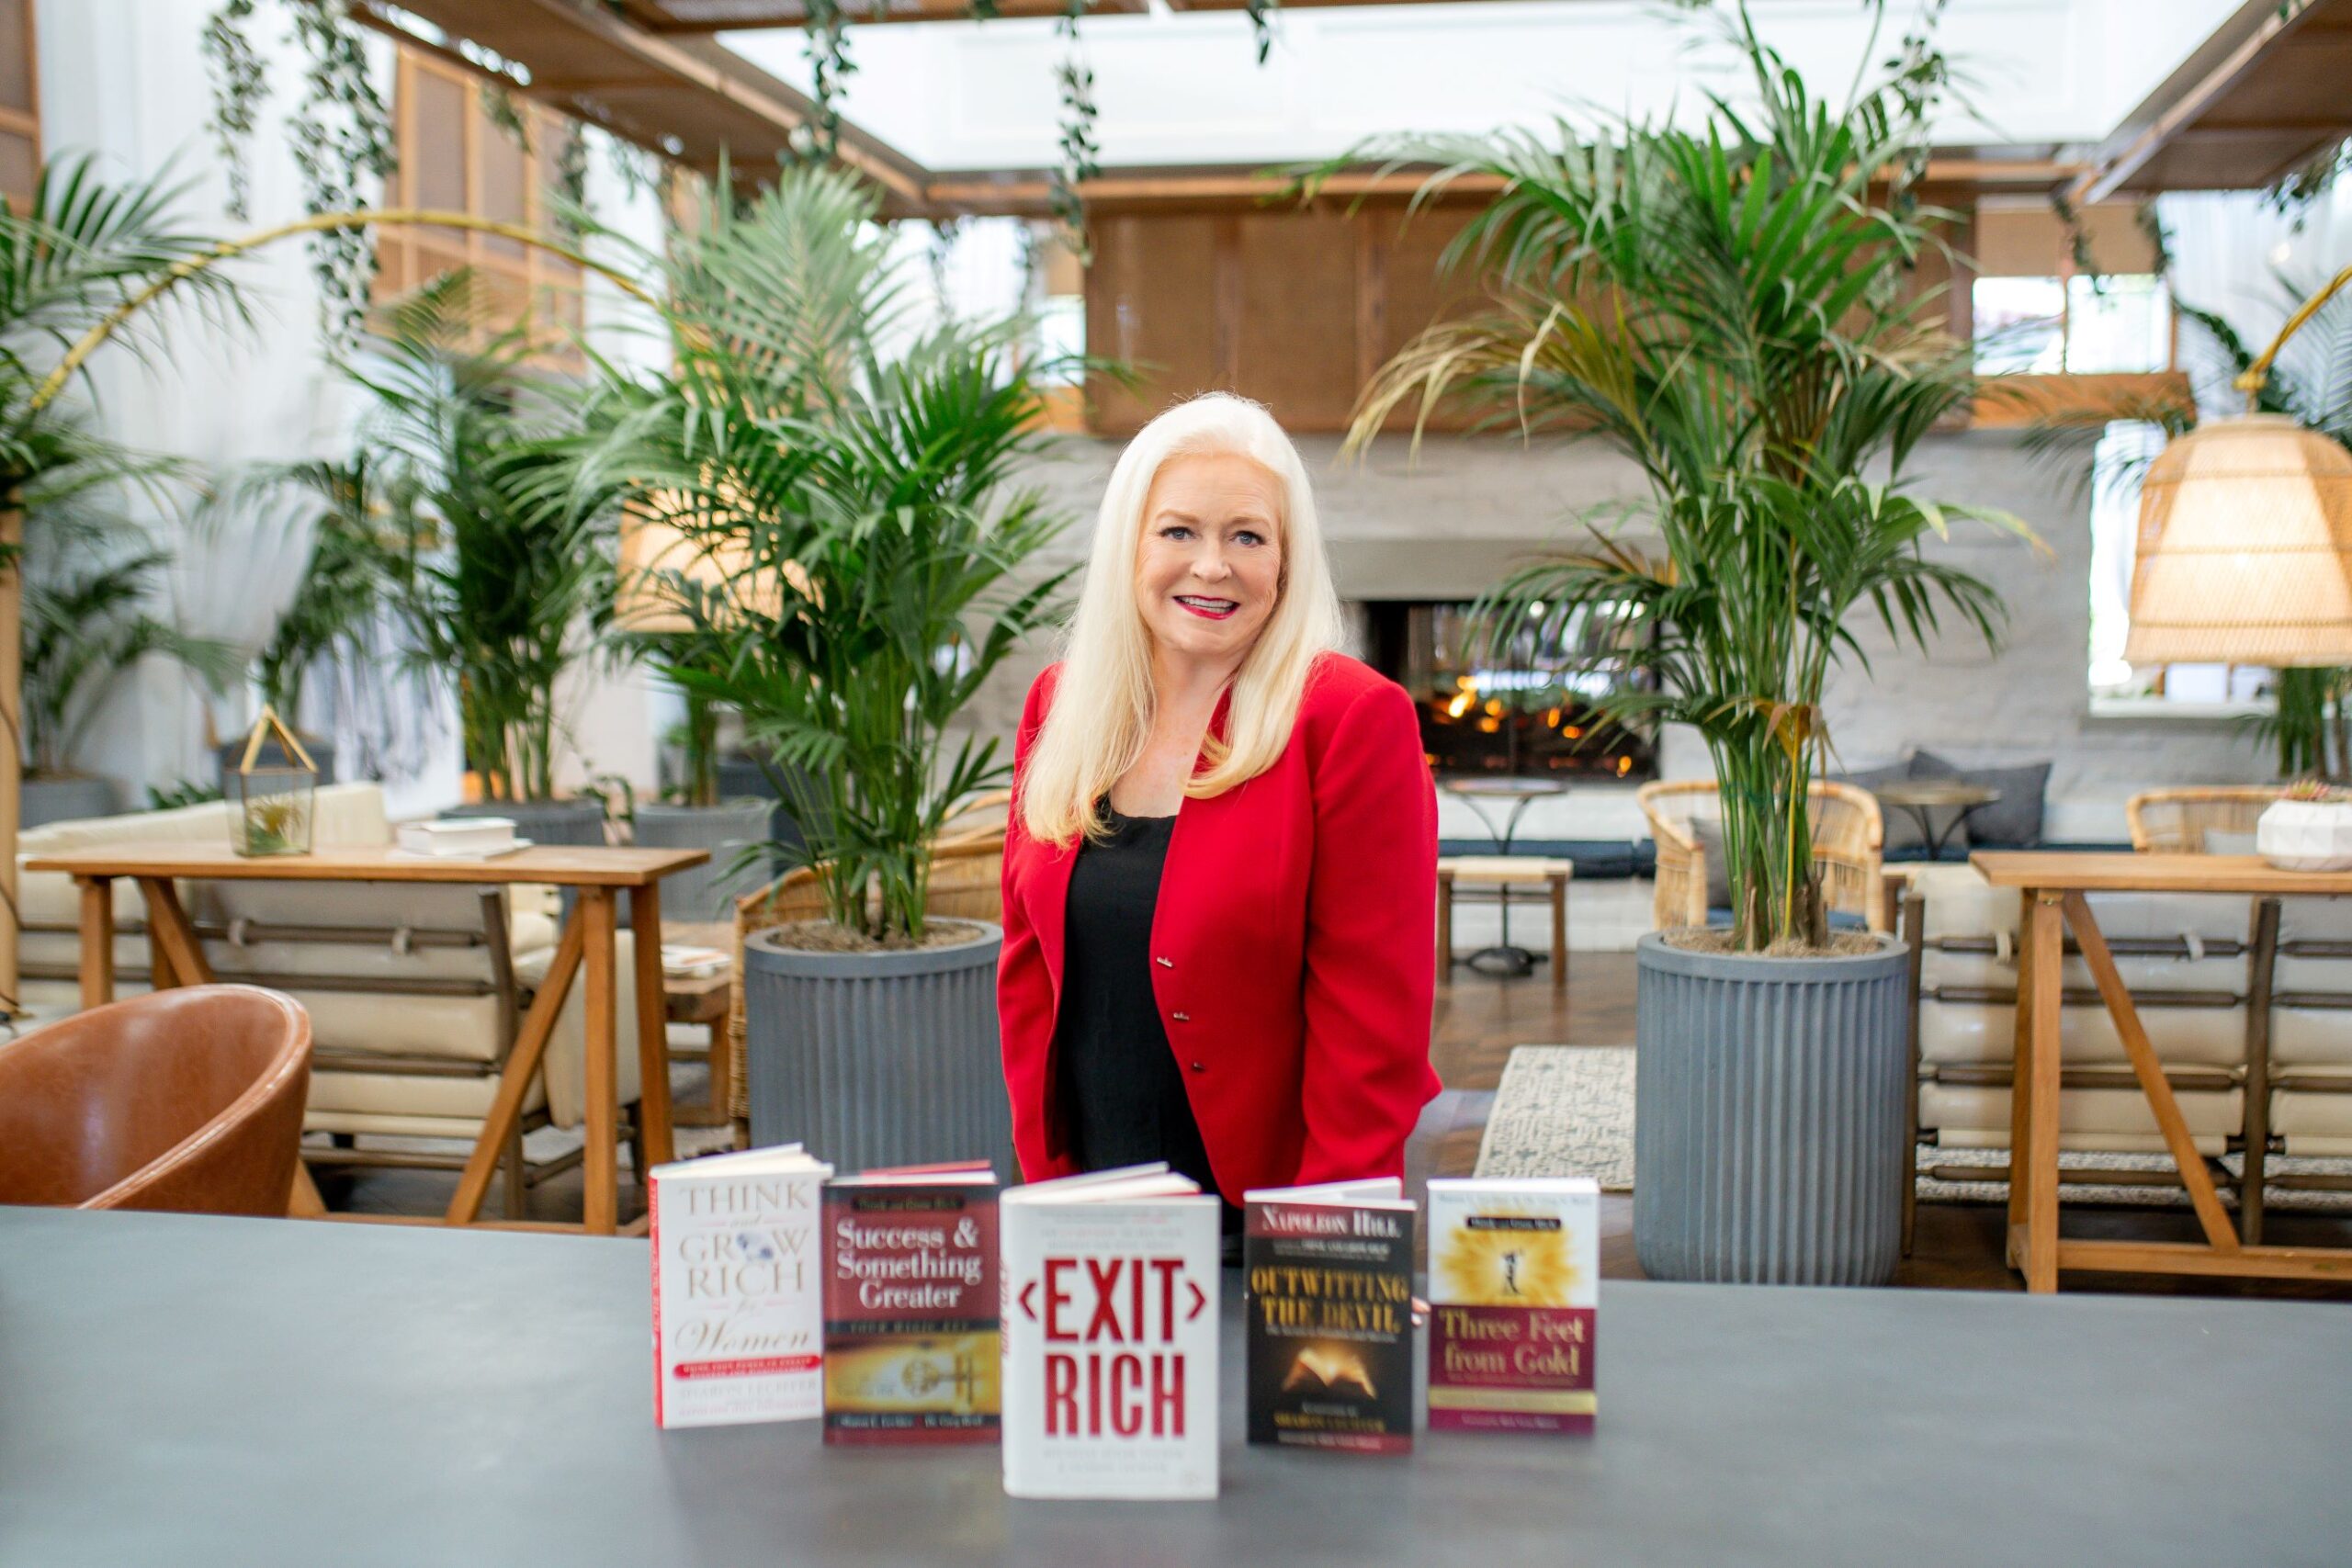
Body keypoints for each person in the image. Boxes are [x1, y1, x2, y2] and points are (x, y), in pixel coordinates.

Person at [998, 392, 1440, 1224]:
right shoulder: (1060, 706)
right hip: (1091, 1212)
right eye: (1178, 532)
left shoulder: (1348, 718)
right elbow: (1028, 974)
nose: (1212, 565)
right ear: (1129, 546)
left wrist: (1321, 1238)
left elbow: (1373, 1031)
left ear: (1286, 560)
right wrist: (1048, 1196)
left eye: (1247, 535)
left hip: (1268, 1217)